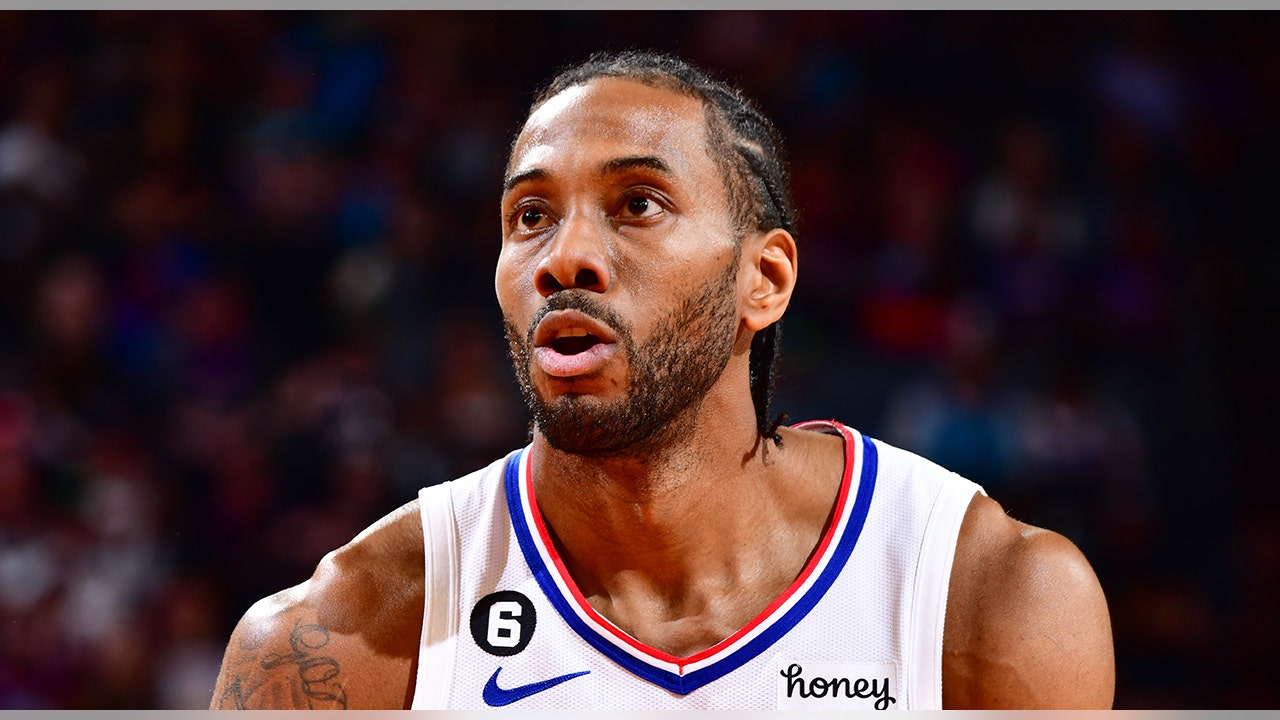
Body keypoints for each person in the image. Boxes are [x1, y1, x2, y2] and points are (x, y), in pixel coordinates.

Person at [210, 51, 1114, 710]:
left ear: (765, 281)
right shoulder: (339, 644)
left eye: (637, 204)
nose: (563, 257)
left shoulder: (986, 598)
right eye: (530, 215)